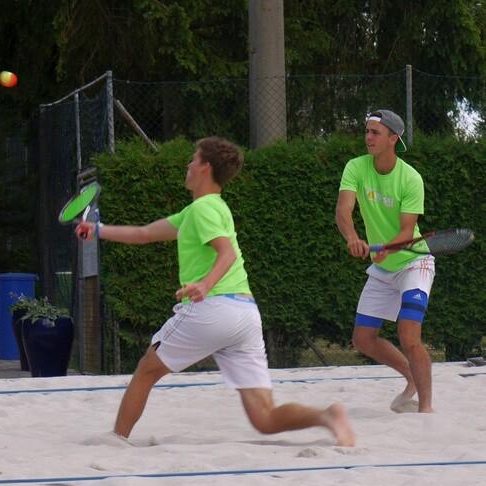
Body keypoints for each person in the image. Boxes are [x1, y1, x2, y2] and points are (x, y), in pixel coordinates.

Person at [77, 136, 355, 446]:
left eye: (193, 159)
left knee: (146, 369)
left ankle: (117, 438)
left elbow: (227, 253)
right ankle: (328, 417)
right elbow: (144, 234)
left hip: (214, 309)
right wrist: (98, 230)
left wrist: (204, 284)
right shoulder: (206, 209)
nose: (188, 164)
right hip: (245, 315)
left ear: (205, 167)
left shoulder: (203, 209)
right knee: (264, 418)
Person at [335, 110, 435, 414]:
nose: (368, 137)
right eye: (367, 131)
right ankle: (410, 377)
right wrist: (352, 237)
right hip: (383, 268)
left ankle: (426, 409)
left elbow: (407, 230)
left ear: (393, 138)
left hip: (414, 264)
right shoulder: (355, 167)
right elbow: (343, 211)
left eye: (375, 132)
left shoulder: (410, 178)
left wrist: (386, 250)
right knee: (363, 339)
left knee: (409, 336)